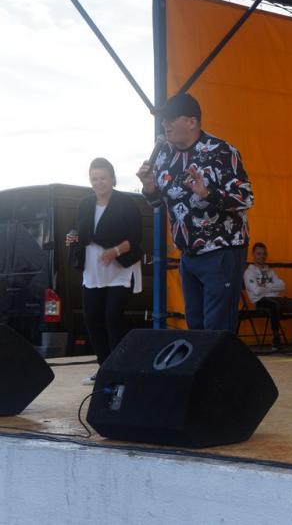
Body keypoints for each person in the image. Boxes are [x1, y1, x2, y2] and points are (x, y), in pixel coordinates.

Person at [137, 92, 253, 332]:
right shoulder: (164, 154)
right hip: (188, 255)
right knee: (196, 326)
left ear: (191, 122)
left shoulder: (222, 151)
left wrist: (208, 194)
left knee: (217, 329)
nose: (164, 124)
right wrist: (149, 188)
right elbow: (159, 202)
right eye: (163, 119)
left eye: (171, 118)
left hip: (221, 251)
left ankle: (220, 359)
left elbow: (245, 198)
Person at [67, 157, 143, 385]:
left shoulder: (126, 203)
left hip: (119, 269)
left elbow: (135, 239)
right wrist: (73, 236)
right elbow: (81, 230)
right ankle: (104, 367)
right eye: (94, 178)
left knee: (112, 319)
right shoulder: (85, 203)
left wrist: (114, 251)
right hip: (93, 270)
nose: (98, 182)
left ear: (113, 179)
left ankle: (120, 369)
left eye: (103, 178)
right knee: (92, 319)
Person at [244, 242, 292, 350]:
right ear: (253, 255)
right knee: (274, 305)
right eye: (259, 254)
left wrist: (265, 286)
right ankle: (276, 339)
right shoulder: (249, 272)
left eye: (264, 254)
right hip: (261, 301)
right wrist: (272, 287)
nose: (262, 256)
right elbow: (256, 292)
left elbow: (282, 286)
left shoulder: (270, 271)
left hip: (278, 299)